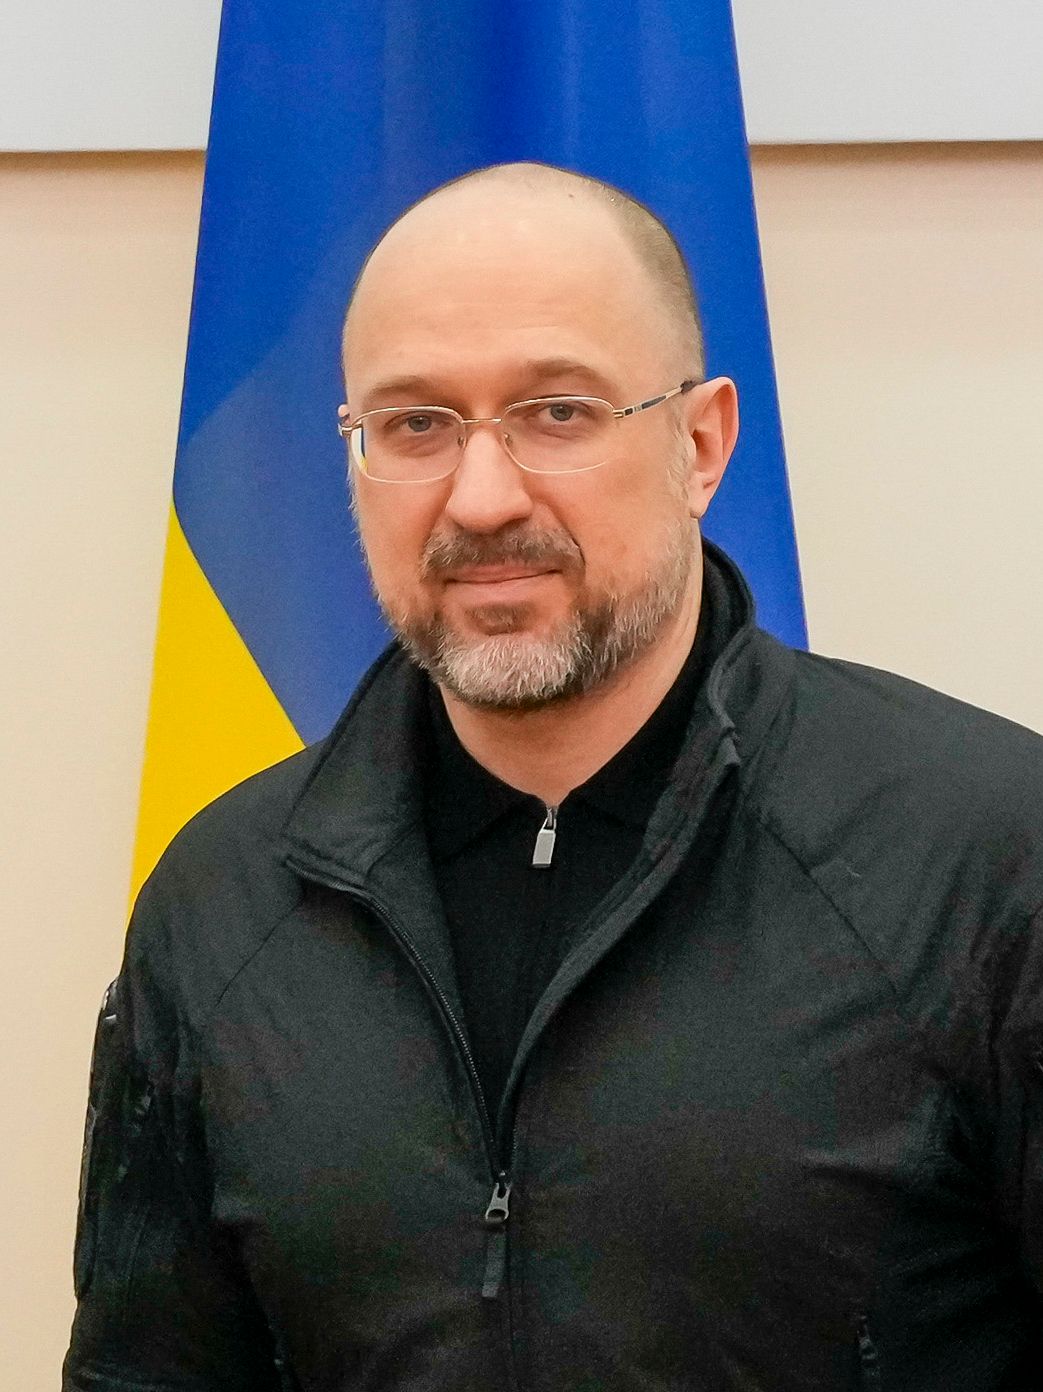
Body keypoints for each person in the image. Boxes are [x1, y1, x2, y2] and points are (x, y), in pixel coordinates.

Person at [65, 163, 1043, 1392]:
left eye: (558, 413)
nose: (481, 500)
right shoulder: (221, 902)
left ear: (699, 444)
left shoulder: (987, 859)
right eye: (414, 425)